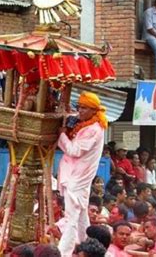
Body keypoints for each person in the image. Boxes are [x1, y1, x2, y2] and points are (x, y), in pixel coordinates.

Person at [56, 91, 107, 256]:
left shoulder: (93, 129)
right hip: (79, 177)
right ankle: (87, 246)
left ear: (94, 110)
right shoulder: (89, 125)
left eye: (85, 108)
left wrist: (61, 134)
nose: (81, 111)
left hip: (77, 178)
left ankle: (63, 252)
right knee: (80, 215)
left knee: (71, 217)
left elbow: (74, 150)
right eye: (80, 107)